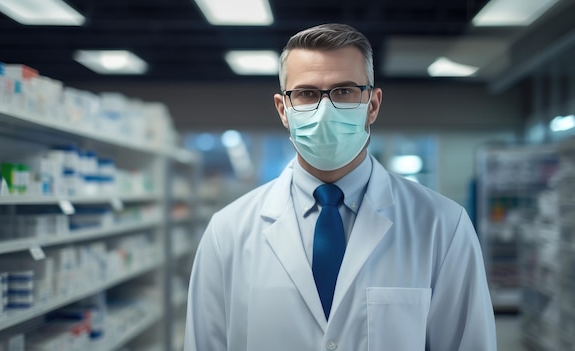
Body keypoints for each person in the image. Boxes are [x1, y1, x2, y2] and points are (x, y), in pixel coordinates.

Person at [183, 23, 497, 351]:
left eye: (344, 91)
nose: (324, 111)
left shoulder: (443, 225)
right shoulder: (228, 231)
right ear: (283, 110)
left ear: (372, 104)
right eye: (306, 94)